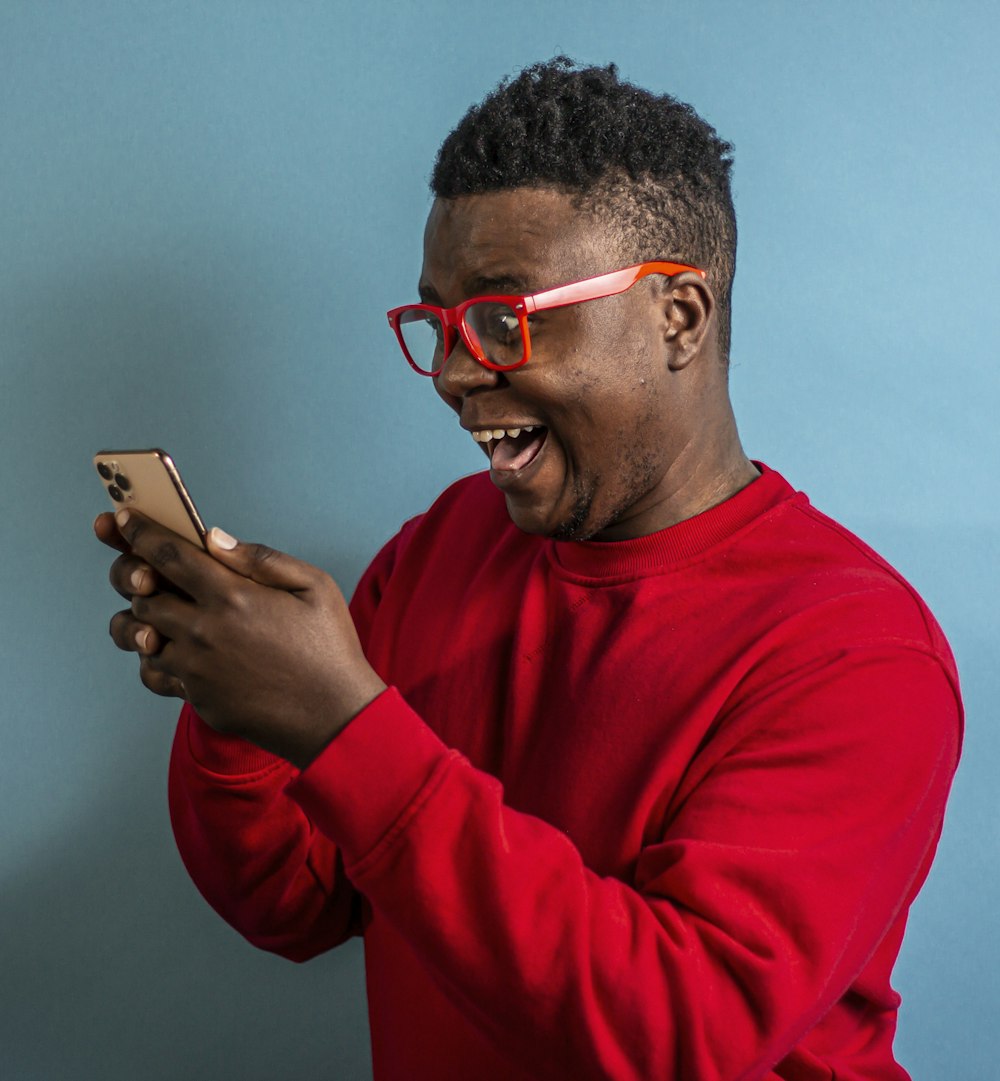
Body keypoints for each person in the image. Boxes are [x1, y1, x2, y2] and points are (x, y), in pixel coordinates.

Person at [95, 58, 962, 1080]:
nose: (458, 373)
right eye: (439, 323)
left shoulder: (855, 654)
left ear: (678, 317)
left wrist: (340, 725)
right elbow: (294, 902)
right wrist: (241, 715)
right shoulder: (446, 542)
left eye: (508, 319)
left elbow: (684, 1033)